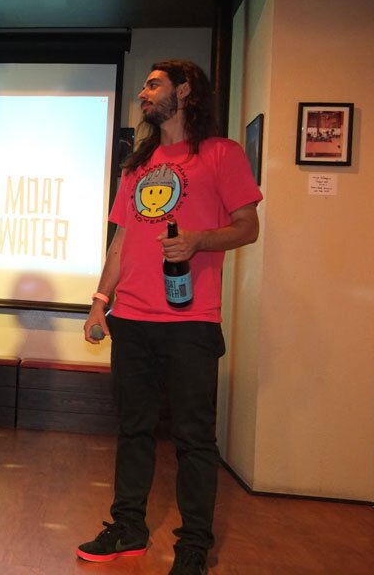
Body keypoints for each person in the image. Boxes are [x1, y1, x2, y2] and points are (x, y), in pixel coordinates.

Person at [76, 60, 262, 575]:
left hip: (191, 322)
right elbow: (121, 240)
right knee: (133, 430)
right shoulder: (137, 164)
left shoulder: (221, 153)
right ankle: (127, 528)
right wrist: (99, 301)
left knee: (193, 438)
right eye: (143, 85)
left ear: (184, 91)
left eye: (153, 84)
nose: (143, 92)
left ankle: (193, 546)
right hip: (132, 320)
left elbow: (248, 226)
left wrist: (200, 240)